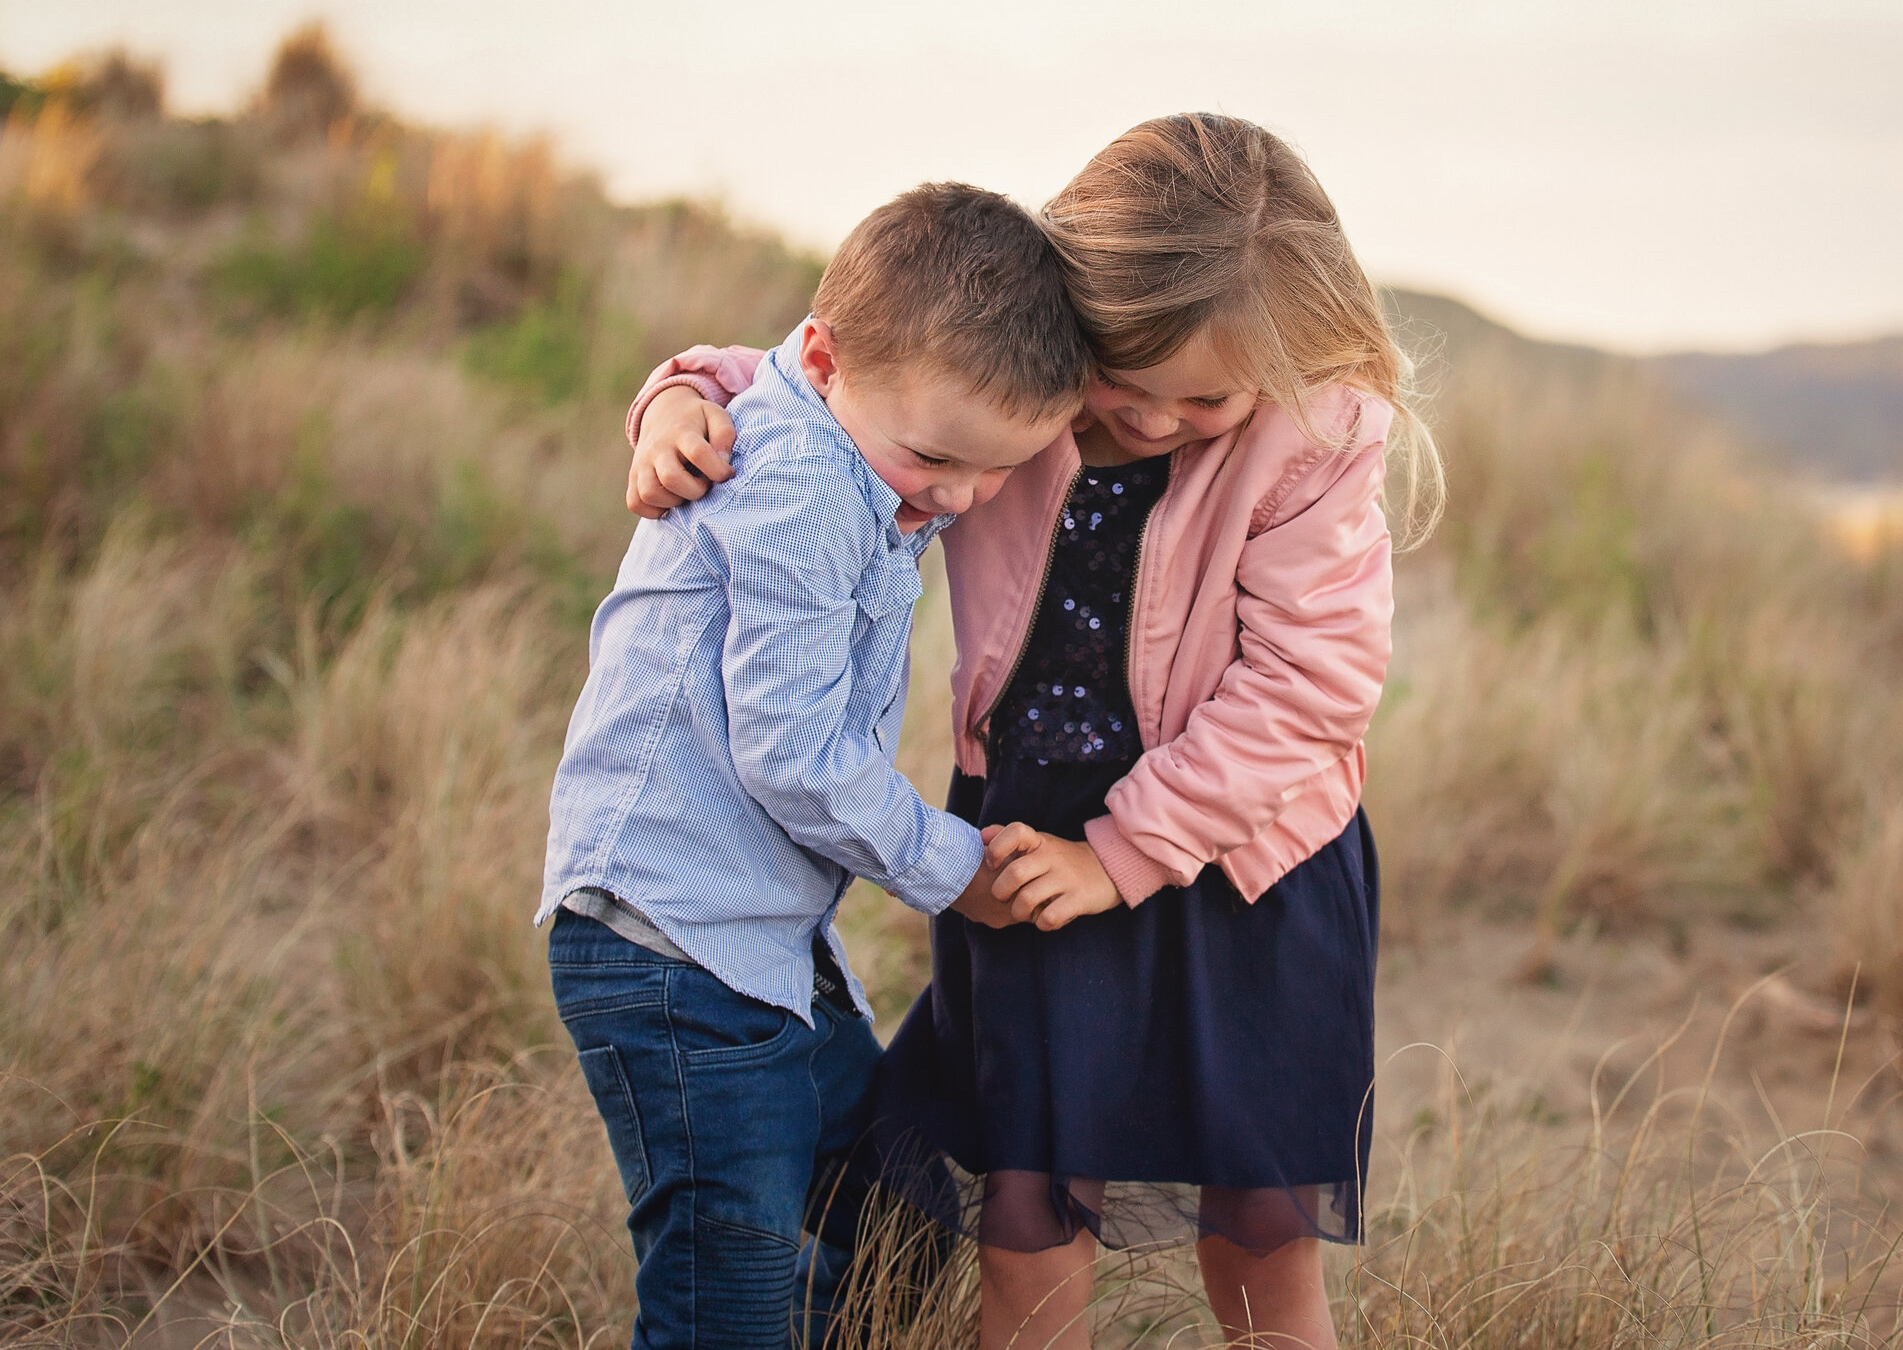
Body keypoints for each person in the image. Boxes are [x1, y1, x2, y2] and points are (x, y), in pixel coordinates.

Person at [626, 115, 1438, 1350]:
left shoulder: (1314, 428)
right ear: (1078, 313)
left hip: (1243, 867)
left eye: (1207, 397)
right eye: (1127, 381)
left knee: (1261, 1242)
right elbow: (822, 377)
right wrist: (678, 398)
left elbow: (1310, 688)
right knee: (1028, 1213)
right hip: (1028, 847)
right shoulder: (1015, 354)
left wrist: (1123, 854)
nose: (1162, 420)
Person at [538, 182, 1089, 1350]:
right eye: (937, 460)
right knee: (722, 1296)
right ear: (831, 363)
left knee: (898, 1206)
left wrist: (679, 383)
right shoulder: (796, 481)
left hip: (765, 943)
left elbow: (767, 363)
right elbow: (792, 754)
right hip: (670, 942)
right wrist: (955, 864)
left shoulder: (866, 413)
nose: (956, 498)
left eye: (997, 473)